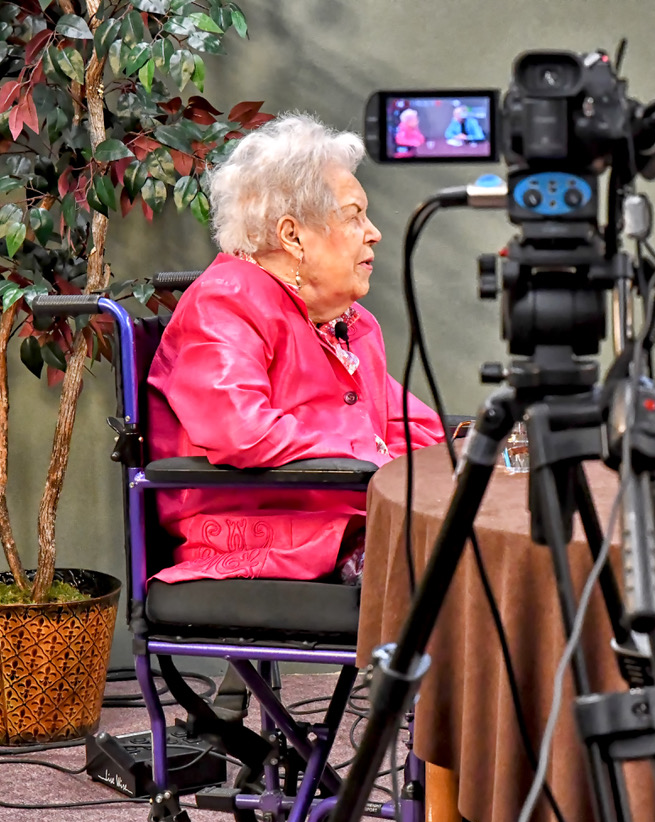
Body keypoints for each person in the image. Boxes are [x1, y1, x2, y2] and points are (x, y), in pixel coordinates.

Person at [147, 113, 444, 586]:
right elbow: (242, 431)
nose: (374, 232)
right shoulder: (225, 300)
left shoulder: (347, 323)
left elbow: (404, 426)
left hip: (353, 523)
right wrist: (371, 457)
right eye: (354, 216)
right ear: (292, 235)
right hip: (265, 536)